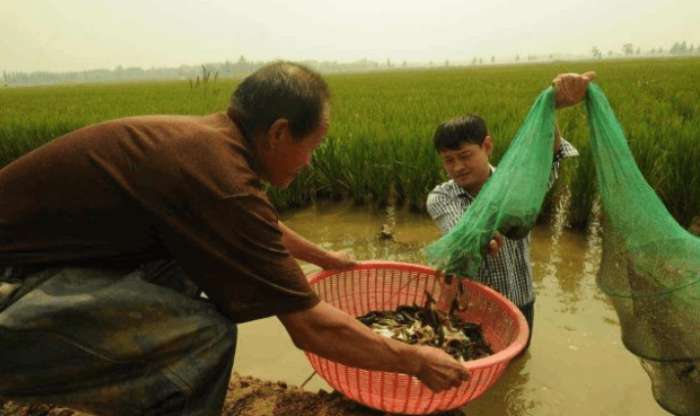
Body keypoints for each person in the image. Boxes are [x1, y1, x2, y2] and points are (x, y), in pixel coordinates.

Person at [0, 62, 469, 416]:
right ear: (280, 133)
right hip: (12, 292)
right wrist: (416, 361)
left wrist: (323, 257)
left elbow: (252, 224)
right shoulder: (215, 174)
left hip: (36, 272)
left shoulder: (207, 146)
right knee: (209, 336)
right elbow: (310, 327)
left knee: (189, 264)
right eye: (315, 145)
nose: (312, 160)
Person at [426, 72, 594, 348]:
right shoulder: (441, 197)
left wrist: (549, 104)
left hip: (521, 300)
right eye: (449, 160)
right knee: (473, 368)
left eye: (465, 156)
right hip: (473, 307)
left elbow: (549, 155)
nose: (457, 167)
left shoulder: (518, 186)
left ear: (487, 146)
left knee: (516, 366)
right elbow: (461, 232)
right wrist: (484, 240)